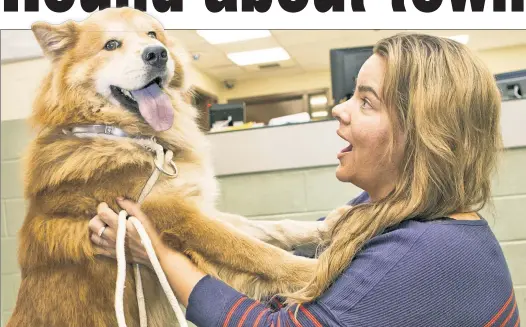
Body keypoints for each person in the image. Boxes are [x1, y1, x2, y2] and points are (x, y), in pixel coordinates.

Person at [89, 33, 521, 326]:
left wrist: (159, 255)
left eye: (366, 102)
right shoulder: (372, 214)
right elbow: (270, 264)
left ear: (425, 133)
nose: (340, 109)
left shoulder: (428, 254)